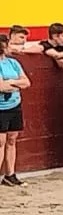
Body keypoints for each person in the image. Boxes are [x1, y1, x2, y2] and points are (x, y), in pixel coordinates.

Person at [0, 32, 28, 187]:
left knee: (11, 139)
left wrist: (10, 82)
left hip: (14, 105)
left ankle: (10, 174)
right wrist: (16, 83)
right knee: (1, 141)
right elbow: (1, 87)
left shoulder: (13, 62)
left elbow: (27, 82)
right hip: (1, 107)